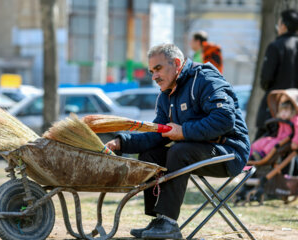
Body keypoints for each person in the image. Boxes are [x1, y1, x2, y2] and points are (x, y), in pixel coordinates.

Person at [106, 43, 250, 239]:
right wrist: (121, 142)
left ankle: (169, 223)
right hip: (197, 151)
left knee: (179, 150)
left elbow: (224, 119)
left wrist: (183, 132)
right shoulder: (166, 95)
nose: (154, 76)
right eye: (151, 71)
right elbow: (157, 134)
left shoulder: (205, 78)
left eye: (158, 69)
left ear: (175, 63)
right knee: (150, 155)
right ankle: (159, 219)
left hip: (230, 152)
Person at [255, 9, 298, 139]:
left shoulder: (276, 46)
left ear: (283, 25)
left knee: (261, 148)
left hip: (275, 105)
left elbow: (266, 79)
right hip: (295, 105)